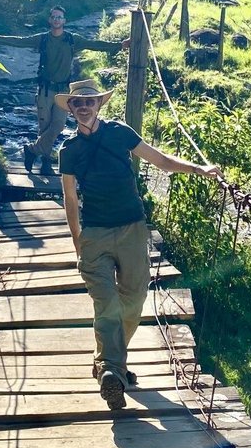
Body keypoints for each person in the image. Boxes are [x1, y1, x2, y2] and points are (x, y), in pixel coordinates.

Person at [57, 79, 222, 412]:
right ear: (71, 109)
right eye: (77, 103)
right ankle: (111, 372)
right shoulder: (69, 151)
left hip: (132, 228)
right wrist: (78, 241)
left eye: (89, 101)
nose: (84, 107)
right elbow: (70, 198)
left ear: (99, 104)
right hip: (95, 235)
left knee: (133, 302)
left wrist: (198, 169)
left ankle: (107, 363)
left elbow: (159, 160)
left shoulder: (120, 132)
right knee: (106, 305)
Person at [0, 6, 126, 176]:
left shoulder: (73, 40)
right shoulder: (43, 39)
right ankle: (45, 162)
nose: (57, 20)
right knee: (44, 128)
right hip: (45, 90)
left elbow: (94, 44)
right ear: (50, 20)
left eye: (60, 17)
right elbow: (20, 41)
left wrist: (119, 45)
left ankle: (32, 150)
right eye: (54, 17)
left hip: (63, 91)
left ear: (64, 21)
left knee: (58, 125)